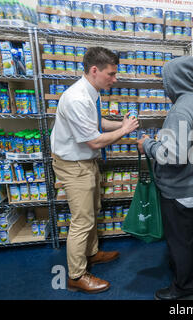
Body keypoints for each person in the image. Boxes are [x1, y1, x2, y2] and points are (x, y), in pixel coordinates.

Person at [51, 47, 139, 294]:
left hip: (85, 162)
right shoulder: (77, 98)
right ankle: (76, 275)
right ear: (94, 70)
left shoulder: (91, 92)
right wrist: (124, 130)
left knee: (94, 210)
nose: (115, 78)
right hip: (74, 165)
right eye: (111, 74)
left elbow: (97, 122)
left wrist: (121, 124)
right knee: (82, 220)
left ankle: (91, 253)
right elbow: (94, 140)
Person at [137, 56, 193, 300]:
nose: (164, 86)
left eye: (166, 80)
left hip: (180, 188)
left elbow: (173, 155)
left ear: (176, 81)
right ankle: (190, 269)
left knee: (179, 241)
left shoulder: (180, 110)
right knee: (188, 235)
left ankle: (183, 288)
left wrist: (148, 145)